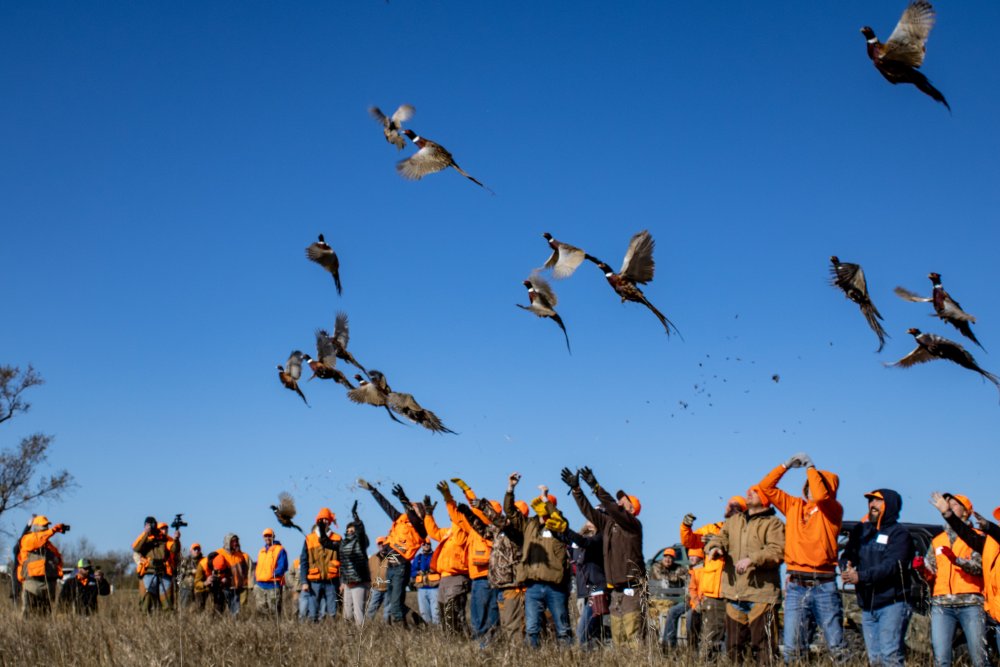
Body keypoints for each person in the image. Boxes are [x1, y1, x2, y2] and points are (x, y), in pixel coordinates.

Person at [758, 453, 848, 662]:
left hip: (824, 585)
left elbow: (821, 497)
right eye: (809, 482)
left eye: (816, 483)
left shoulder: (833, 510)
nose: (811, 486)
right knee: (792, 649)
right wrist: (785, 465)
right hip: (796, 585)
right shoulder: (793, 506)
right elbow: (765, 488)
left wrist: (810, 466)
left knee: (837, 647)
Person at [562, 466, 646, 645]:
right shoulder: (609, 524)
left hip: (633, 590)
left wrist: (596, 487)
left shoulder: (633, 526)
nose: (619, 503)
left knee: (634, 639)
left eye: (624, 502)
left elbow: (612, 507)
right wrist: (577, 490)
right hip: (616, 592)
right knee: (618, 640)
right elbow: (589, 512)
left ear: (632, 510)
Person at [706, 485, 785, 663]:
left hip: (761, 596)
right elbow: (720, 538)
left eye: (755, 491)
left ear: (765, 498)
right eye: (749, 491)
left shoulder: (774, 523)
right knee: (733, 648)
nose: (749, 493)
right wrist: (715, 547)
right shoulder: (733, 521)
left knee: (764, 647)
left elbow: (778, 551)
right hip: (734, 594)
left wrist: (752, 559)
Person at [840, 489, 914, 667]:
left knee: (891, 656)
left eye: (877, 501)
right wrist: (845, 566)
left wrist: (861, 576)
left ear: (889, 505)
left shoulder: (899, 534)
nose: (872, 504)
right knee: (875, 659)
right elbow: (847, 554)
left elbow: (892, 566)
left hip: (892, 603)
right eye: (870, 501)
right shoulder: (862, 531)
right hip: (867, 605)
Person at [505, 471, 572, 647]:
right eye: (540, 505)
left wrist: (545, 499)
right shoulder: (529, 525)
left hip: (555, 586)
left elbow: (559, 520)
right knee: (531, 629)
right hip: (533, 586)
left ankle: (570, 660)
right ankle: (532, 661)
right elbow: (510, 512)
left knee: (563, 630)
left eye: (546, 506)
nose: (542, 509)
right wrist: (510, 488)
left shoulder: (560, 526)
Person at [924, 492, 988, 667]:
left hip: (971, 603)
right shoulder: (938, 540)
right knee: (941, 660)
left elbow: (980, 568)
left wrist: (957, 560)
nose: (949, 505)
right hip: (942, 604)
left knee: (979, 659)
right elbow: (931, 571)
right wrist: (921, 569)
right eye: (947, 503)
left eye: (954, 504)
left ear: (966, 511)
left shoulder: (977, 537)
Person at [681, 496, 746, 659]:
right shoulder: (711, 528)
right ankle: (705, 662)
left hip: (737, 592)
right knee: (711, 638)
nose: (732, 509)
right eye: (730, 505)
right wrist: (686, 525)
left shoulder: (746, 531)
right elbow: (689, 541)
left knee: (737, 639)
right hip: (714, 594)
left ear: (743, 512)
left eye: (737, 507)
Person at [359, 478, 427, 624]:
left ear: (420, 513)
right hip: (391, 566)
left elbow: (413, 517)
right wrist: (373, 490)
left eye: (414, 509)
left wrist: (403, 499)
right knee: (391, 607)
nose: (410, 510)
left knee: (395, 607)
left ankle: (421, 626)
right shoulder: (401, 519)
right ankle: (411, 629)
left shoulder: (421, 528)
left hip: (401, 567)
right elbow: (386, 506)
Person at [469, 495, 527, 642]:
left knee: (514, 624)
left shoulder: (517, 530)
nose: (509, 514)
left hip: (513, 585)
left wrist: (483, 506)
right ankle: (510, 651)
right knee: (506, 623)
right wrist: (468, 515)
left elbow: (500, 522)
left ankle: (520, 654)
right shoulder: (500, 531)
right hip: (501, 584)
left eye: (513, 511)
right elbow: (483, 530)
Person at [451, 477, 500, 639]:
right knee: (487, 612)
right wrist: (448, 500)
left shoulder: (491, 528)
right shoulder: (478, 528)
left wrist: (467, 491)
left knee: (481, 613)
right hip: (479, 576)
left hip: (484, 576)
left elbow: (478, 512)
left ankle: (483, 643)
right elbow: (462, 517)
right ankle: (488, 641)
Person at [423, 480, 471, 634]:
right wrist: (429, 515)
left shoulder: (464, 532)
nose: (451, 518)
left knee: (455, 614)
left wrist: (456, 515)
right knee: (444, 614)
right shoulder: (448, 532)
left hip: (458, 578)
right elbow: (433, 532)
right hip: (444, 578)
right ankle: (450, 643)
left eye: (454, 516)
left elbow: (459, 538)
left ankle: (462, 641)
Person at [560, 520, 607, 647]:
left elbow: (584, 542)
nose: (590, 521)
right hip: (582, 590)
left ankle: (587, 653)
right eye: (588, 518)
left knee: (584, 629)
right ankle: (594, 655)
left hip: (596, 589)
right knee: (591, 628)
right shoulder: (577, 540)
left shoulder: (599, 538)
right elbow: (564, 539)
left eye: (593, 519)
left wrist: (566, 529)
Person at [17, 516, 66, 615]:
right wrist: (54, 530)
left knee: (46, 613)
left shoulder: (49, 545)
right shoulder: (27, 539)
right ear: (35, 527)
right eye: (43, 526)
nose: (46, 528)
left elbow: (58, 559)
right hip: (32, 584)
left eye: (47, 525)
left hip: (48, 584)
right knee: (28, 613)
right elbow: (38, 539)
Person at [299, 507, 341, 621]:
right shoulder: (309, 538)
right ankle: (313, 636)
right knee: (313, 613)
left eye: (326, 519)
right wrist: (304, 582)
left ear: (330, 521)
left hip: (332, 581)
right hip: (314, 582)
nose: (324, 521)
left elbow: (343, 562)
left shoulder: (337, 538)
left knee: (333, 613)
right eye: (322, 519)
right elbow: (304, 562)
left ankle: (334, 635)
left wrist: (342, 582)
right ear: (317, 521)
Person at [132, 516, 180, 612]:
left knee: (167, 600)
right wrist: (146, 533)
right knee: (147, 599)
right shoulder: (144, 536)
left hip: (163, 571)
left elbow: (175, 549)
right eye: (162, 528)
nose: (163, 530)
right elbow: (136, 548)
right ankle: (146, 622)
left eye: (165, 528)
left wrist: (176, 539)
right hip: (148, 571)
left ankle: (168, 622)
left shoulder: (165, 539)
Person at [339, 501, 372, 626]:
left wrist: (355, 517)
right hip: (348, 582)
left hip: (359, 581)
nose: (350, 533)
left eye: (352, 531)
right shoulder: (343, 545)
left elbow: (361, 532)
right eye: (348, 531)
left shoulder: (361, 543)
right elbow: (343, 565)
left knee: (359, 614)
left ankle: (360, 637)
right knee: (347, 614)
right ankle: (348, 636)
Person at [651, 547, 689, 649]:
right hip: (660, 600)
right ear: (663, 558)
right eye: (666, 557)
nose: (668, 560)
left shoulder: (678, 567)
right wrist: (676, 577)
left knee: (673, 612)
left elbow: (686, 575)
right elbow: (660, 577)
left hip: (674, 601)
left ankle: (668, 644)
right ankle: (664, 644)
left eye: (671, 558)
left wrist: (674, 577)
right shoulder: (656, 566)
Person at [208, 533, 249, 615]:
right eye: (233, 541)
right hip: (222, 588)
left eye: (236, 541)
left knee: (235, 614)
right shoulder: (217, 553)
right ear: (227, 542)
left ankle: (234, 627)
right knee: (218, 612)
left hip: (235, 588)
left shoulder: (240, 555)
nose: (236, 543)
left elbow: (245, 571)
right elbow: (210, 570)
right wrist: (220, 579)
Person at [255, 528, 288, 616]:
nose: (267, 538)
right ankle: (263, 628)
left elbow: (283, 566)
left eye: (269, 536)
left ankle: (274, 628)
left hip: (273, 584)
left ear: (273, 536)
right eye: (265, 536)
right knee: (261, 610)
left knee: (274, 611)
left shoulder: (280, 549)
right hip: (260, 585)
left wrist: (275, 574)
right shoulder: (261, 551)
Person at [411, 541, 441, 624]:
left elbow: (441, 569)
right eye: (424, 544)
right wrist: (417, 572)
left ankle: (437, 630)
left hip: (434, 588)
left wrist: (434, 570)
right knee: (424, 612)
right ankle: (427, 629)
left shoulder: (436, 556)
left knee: (436, 612)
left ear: (430, 545)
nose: (426, 545)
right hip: (421, 589)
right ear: (421, 545)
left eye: (428, 544)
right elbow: (412, 572)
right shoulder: (418, 557)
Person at [366, 536, 391, 621]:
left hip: (388, 588)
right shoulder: (372, 558)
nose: (382, 545)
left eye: (383, 543)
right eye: (380, 544)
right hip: (376, 588)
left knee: (387, 612)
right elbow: (368, 572)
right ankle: (367, 627)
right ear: (377, 545)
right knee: (371, 610)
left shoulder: (392, 557)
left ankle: (387, 628)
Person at [177, 543, 203, 609]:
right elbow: (180, 571)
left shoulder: (203, 560)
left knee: (199, 608)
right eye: (195, 549)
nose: (197, 551)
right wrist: (191, 571)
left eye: (198, 549)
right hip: (187, 587)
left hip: (199, 588)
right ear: (191, 550)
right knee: (184, 607)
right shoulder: (186, 560)